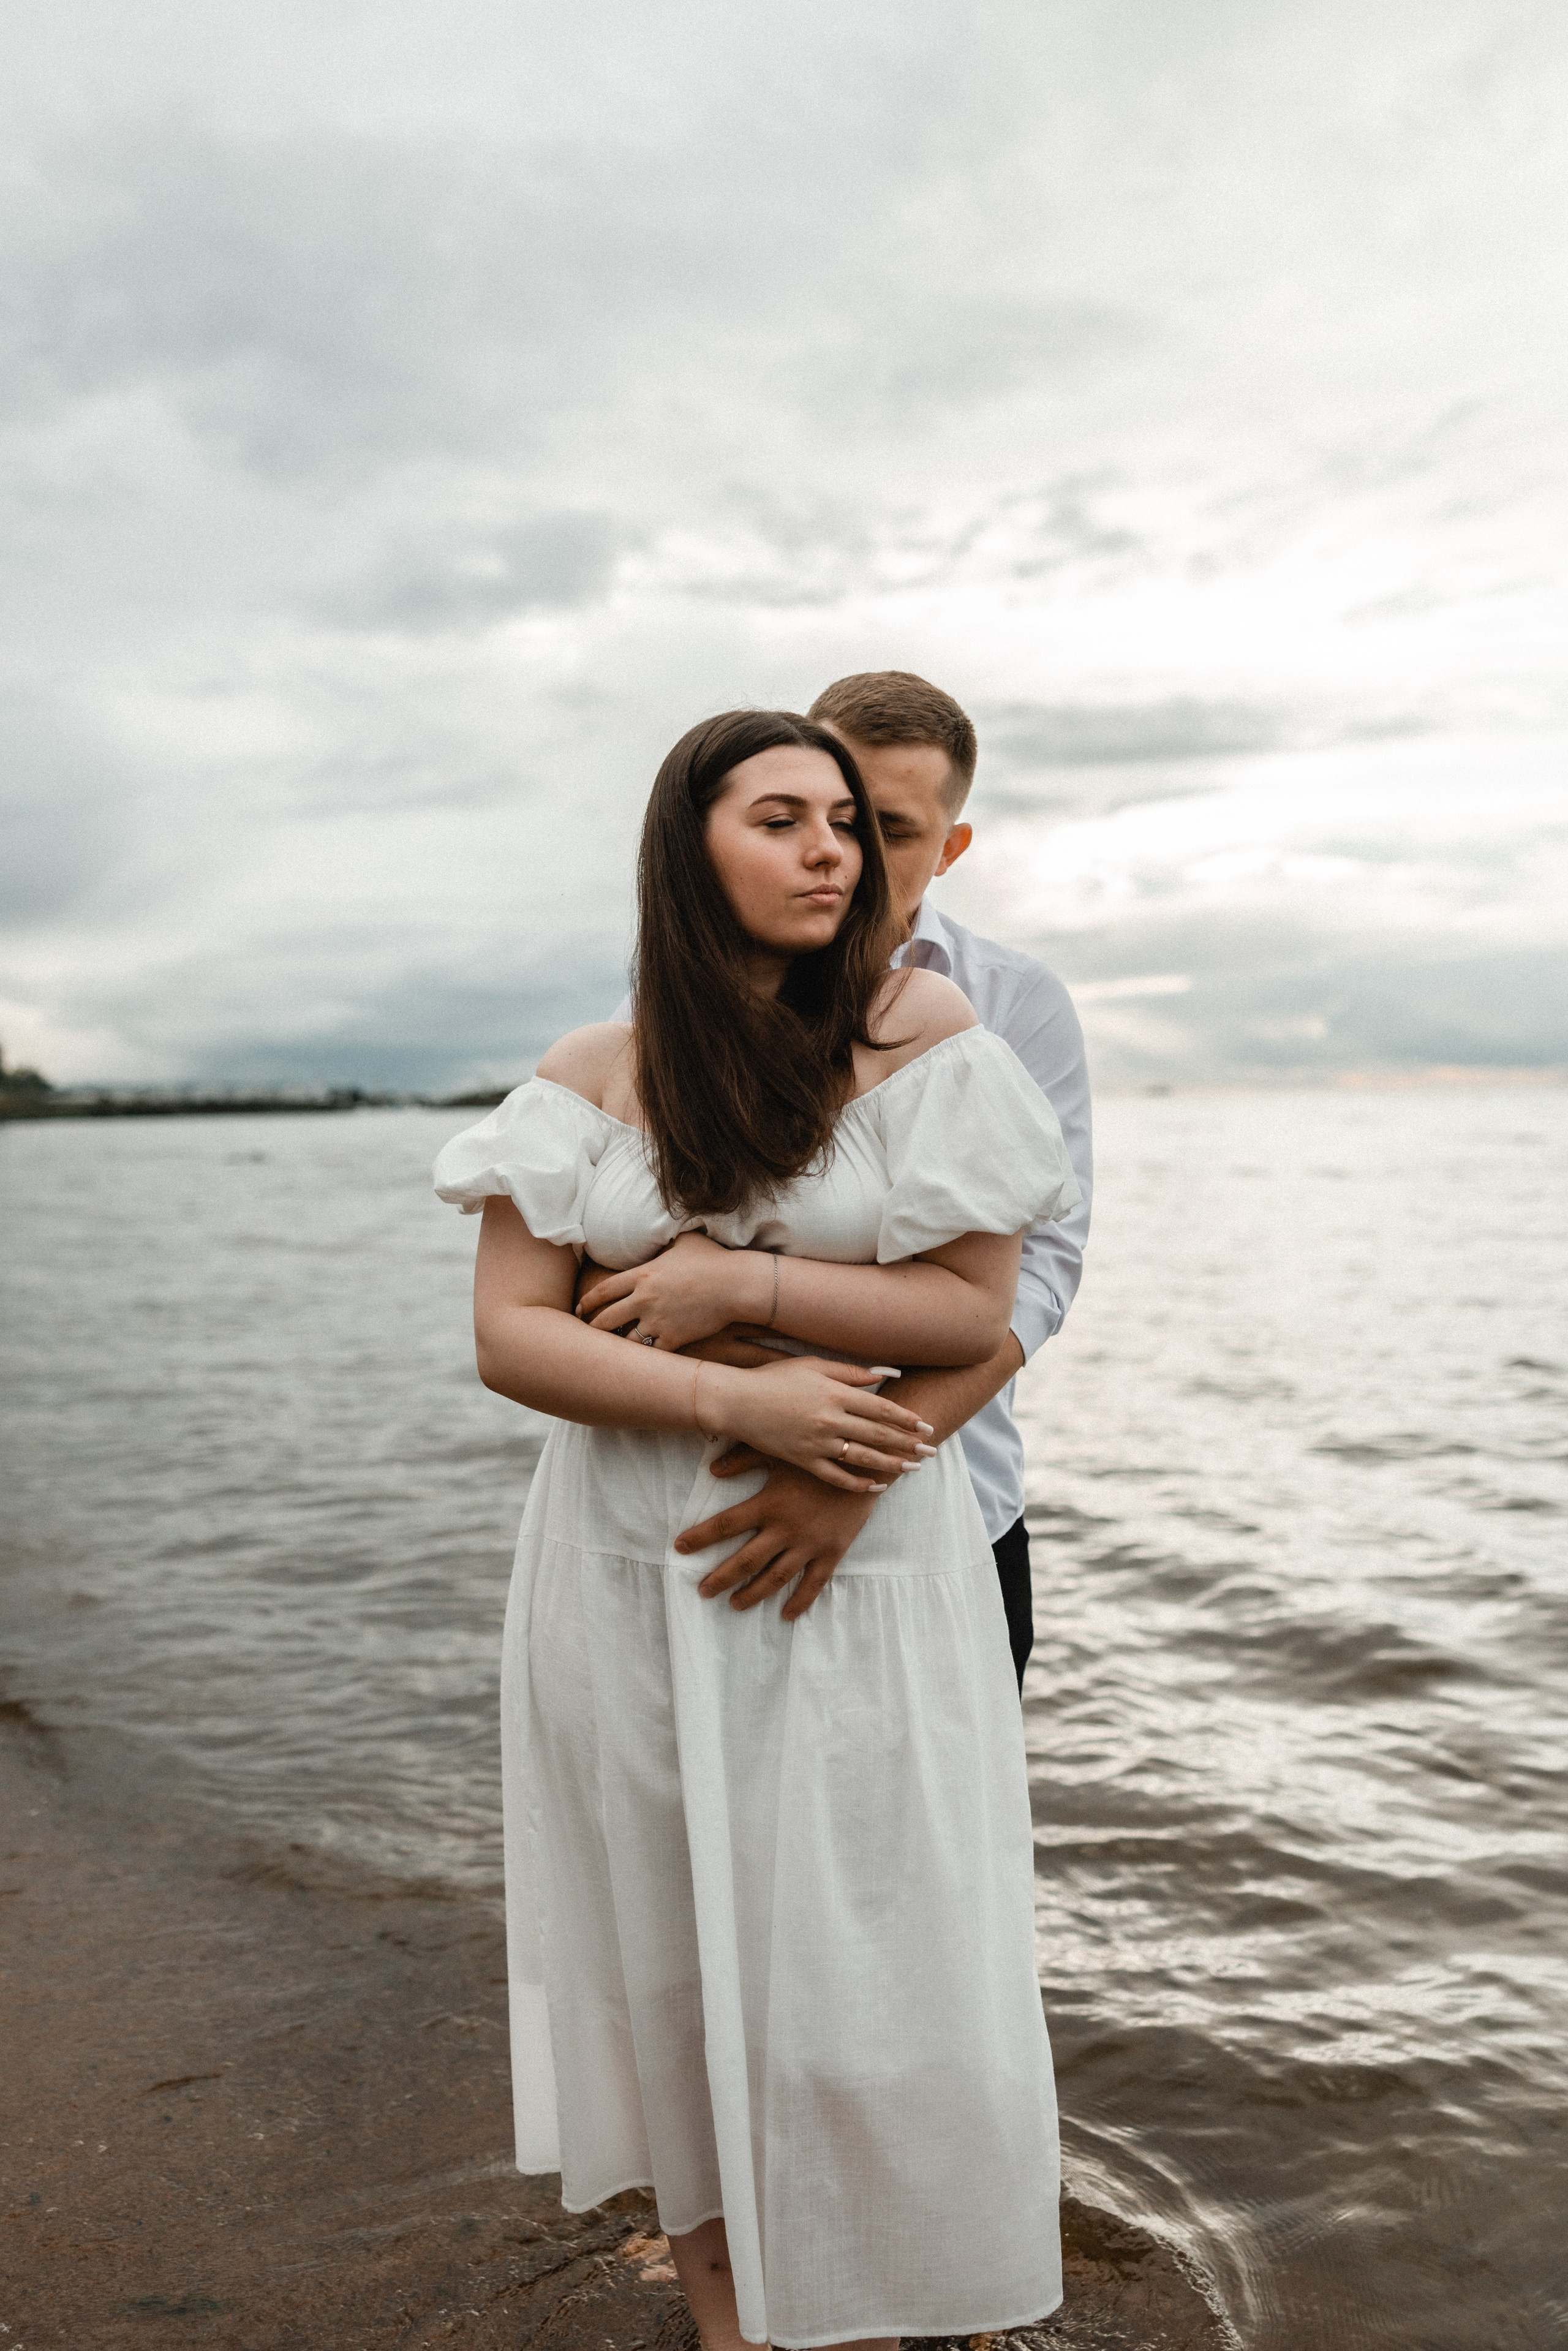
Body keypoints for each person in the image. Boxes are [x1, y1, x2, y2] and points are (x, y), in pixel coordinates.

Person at [434, 709, 1082, 2351]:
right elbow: (516, 1333)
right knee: (676, 1953)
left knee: (882, 1952)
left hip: (864, 1567)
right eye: (780, 817)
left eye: (850, 825)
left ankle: (900, 2293)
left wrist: (744, 1291)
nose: (828, 850)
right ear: (686, 848)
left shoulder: (923, 1032)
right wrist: (743, 1402)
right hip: (626, 1565)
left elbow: (973, 1305)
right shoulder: (592, 1071)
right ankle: (732, 2313)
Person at [625, 672, 1093, 1688]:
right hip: (710, 1505)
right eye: (820, 813)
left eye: (887, 826)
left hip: (954, 1495)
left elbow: (1039, 1277)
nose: (843, 853)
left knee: (942, 1829)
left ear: (951, 847)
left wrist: (860, 1473)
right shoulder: (696, 998)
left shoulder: (1010, 1003)